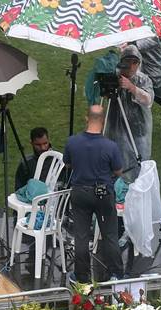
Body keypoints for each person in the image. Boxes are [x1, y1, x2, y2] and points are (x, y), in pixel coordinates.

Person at [63, 106, 124, 283]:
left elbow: (67, 165)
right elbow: (118, 170)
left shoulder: (72, 142)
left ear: (86, 118)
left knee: (81, 235)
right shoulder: (110, 146)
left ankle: (81, 276)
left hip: (80, 193)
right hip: (103, 194)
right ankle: (116, 274)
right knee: (110, 234)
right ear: (103, 120)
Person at [105, 45, 154, 183]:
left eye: (135, 62)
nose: (131, 66)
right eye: (128, 61)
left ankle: (137, 187)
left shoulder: (143, 80)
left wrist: (131, 87)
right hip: (116, 128)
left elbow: (148, 100)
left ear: (139, 63)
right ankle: (117, 188)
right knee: (116, 159)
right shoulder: (113, 76)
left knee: (139, 162)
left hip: (138, 129)